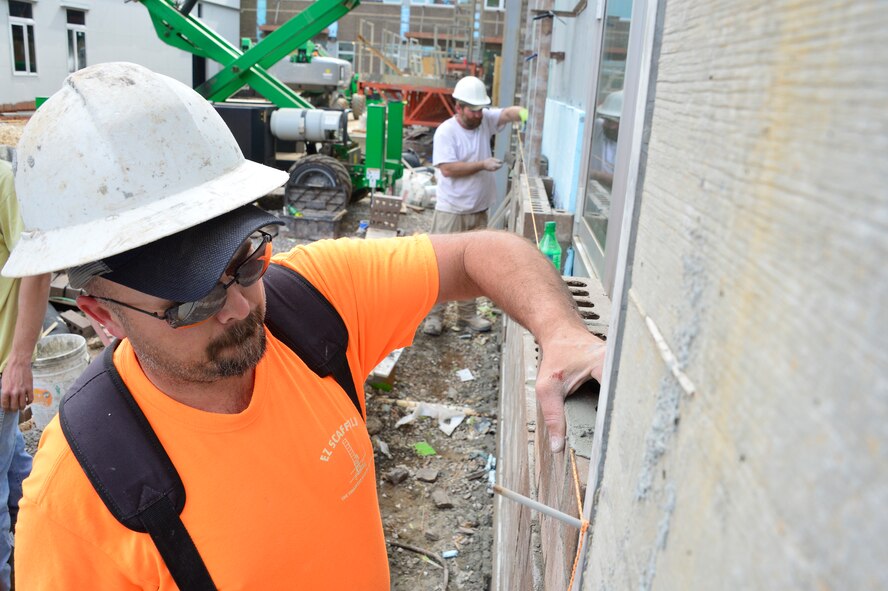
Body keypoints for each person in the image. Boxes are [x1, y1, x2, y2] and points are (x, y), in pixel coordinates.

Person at [3, 63, 605, 590]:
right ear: (102, 315)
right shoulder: (82, 500)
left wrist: (560, 330)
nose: (238, 308)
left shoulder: (311, 303)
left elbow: (481, 253)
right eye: (190, 303)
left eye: (246, 262)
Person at [422, 75, 527, 336]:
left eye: (482, 110)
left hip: (478, 209)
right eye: (474, 110)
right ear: (459, 107)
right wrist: (483, 164)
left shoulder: (484, 120)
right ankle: (434, 317)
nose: (479, 115)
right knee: (442, 266)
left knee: (471, 266)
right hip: (452, 210)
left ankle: (467, 315)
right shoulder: (447, 131)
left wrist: (527, 113)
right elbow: (447, 169)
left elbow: (507, 114)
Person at [0, 159, 49, 591]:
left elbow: (36, 264)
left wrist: (19, 360)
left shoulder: (2, 180)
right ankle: (50, 536)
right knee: (17, 467)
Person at [588, 90, 622, 190]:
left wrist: (594, 174)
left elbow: (621, 182)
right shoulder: (598, 128)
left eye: (610, 122)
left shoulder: (631, 148)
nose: (605, 125)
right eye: (605, 120)